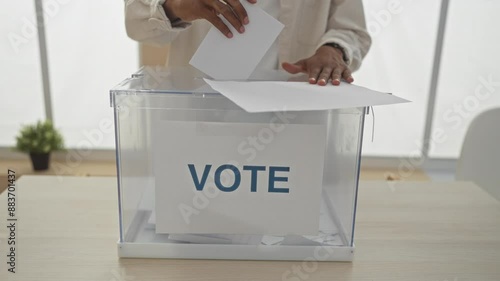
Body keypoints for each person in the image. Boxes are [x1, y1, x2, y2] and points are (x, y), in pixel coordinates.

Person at [125, 0, 371, 86]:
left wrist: (334, 49)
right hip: (199, 108)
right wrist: (176, 6)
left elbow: (352, 29)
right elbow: (135, 21)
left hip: (293, 115)